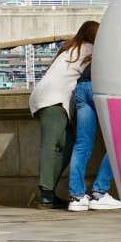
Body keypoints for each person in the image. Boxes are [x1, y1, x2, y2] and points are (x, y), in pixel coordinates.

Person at [29, 21, 96, 209]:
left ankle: (48, 191)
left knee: (66, 144)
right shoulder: (89, 50)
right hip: (54, 100)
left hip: (43, 97)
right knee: (52, 145)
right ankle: (46, 194)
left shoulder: (70, 48)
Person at [66, 39, 121, 212]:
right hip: (102, 85)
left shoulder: (103, 45)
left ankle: (77, 197)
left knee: (82, 144)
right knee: (118, 141)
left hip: (81, 87)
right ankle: (99, 192)